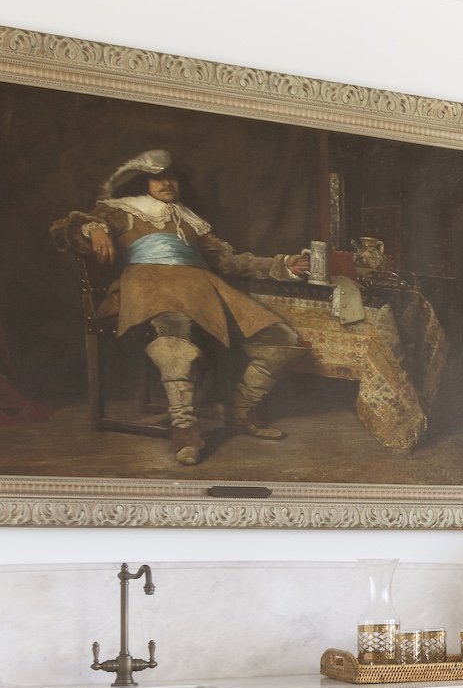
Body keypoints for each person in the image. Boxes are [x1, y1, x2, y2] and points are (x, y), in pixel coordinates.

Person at [54, 149, 312, 466]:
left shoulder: (189, 220)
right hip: (151, 287)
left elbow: (229, 261)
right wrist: (94, 229)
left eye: (171, 177)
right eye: (157, 177)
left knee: (282, 341)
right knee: (173, 343)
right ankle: (185, 428)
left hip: (203, 290)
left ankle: (242, 411)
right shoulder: (120, 211)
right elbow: (71, 227)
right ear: (141, 182)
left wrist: (283, 263)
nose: (167, 182)